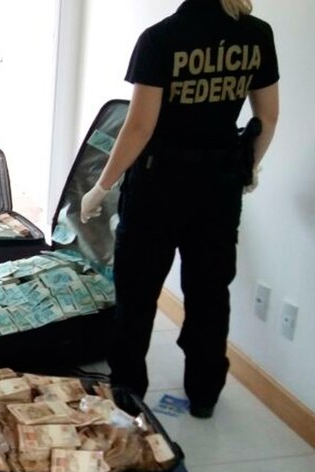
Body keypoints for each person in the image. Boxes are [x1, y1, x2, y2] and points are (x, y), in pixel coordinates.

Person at [81, 0, 279, 418]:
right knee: (210, 291)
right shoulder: (256, 34)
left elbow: (140, 127)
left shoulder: (160, 39)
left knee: (137, 292)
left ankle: (129, 394)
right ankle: (204, 394)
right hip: (219, 185)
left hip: (159, 185)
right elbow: (268, 117)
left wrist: (102, 185)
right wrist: (249, 169)